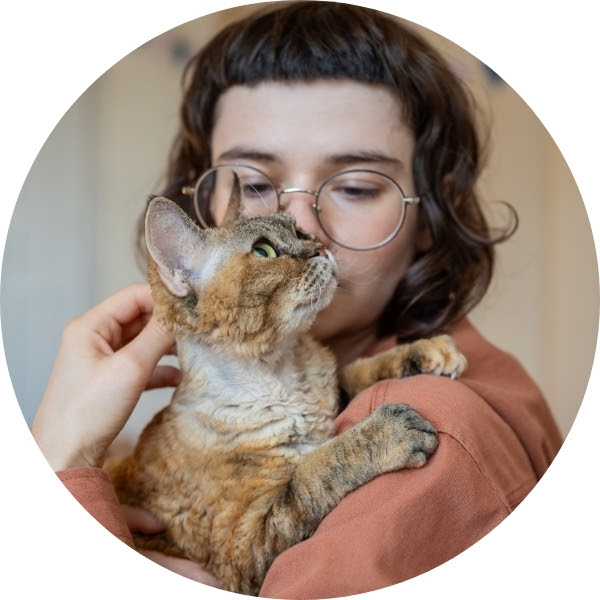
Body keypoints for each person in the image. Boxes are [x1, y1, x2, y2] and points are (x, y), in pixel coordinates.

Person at [32, 2, 563, 597]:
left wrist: (63, 470)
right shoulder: (317, 377)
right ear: (208, 209)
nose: (301, 225)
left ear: (431, 217)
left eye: (358, 186)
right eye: (254, 185)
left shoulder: (434, 445)